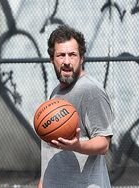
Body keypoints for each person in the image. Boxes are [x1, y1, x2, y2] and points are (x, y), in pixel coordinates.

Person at [38, 25, 114, 188]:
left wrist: (77, 146)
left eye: (72, 55)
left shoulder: (91, 91)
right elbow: (50, 152)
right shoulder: (56, 93)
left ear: (81, 58)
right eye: (60, 55)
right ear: (52, 59)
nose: (66, 61)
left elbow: (103, 143)